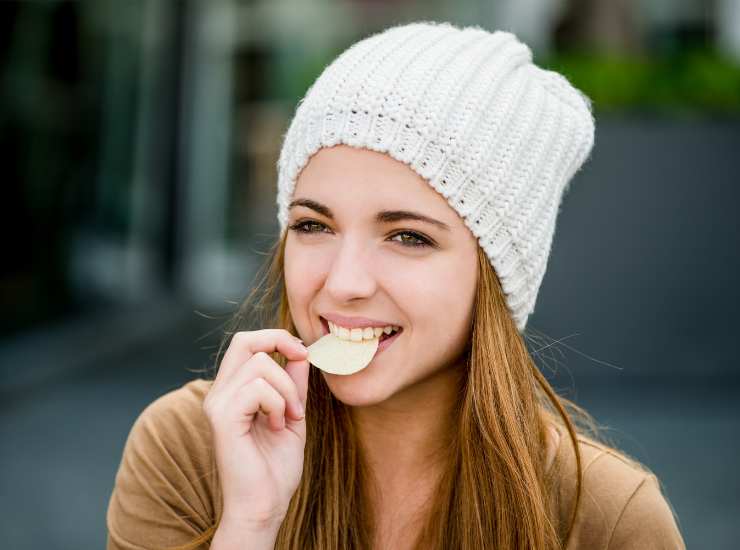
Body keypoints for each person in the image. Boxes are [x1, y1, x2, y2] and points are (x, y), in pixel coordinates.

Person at [106, 21, 685, 550]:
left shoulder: (605, 518)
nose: (344, 283)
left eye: (408, 237)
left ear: (497, 274)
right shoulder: (191, 448)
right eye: (313, 225)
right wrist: (251, 526)